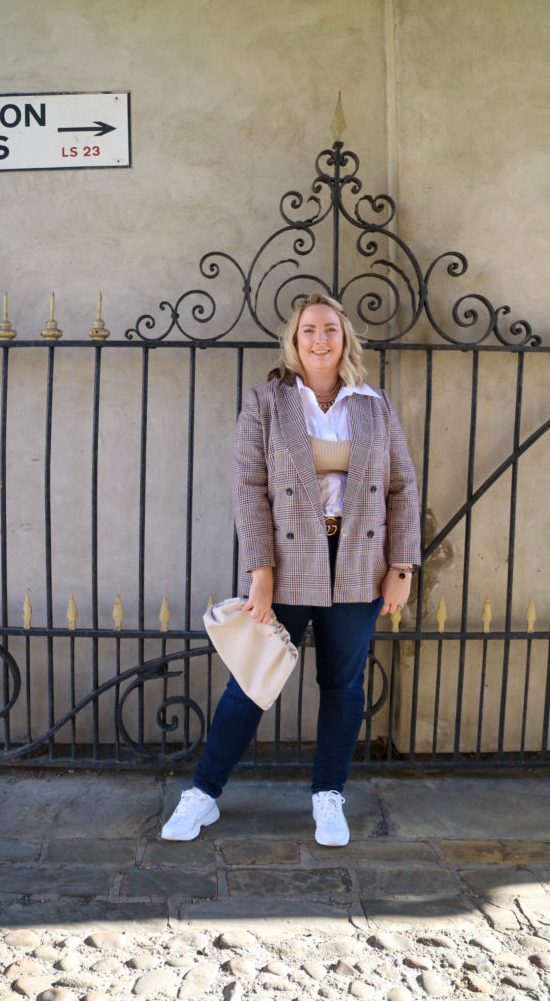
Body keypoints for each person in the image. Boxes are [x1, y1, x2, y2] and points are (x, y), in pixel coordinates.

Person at [162, 293, 421, 845]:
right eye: (309, 330)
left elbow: (401, 486)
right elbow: (248, 489)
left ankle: (329, 796)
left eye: (331, 328)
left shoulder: (374, 404)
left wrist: (401, 565)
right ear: (295, 339)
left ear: (345, 337)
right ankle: (203, 794)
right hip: (286, 562)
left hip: (358, 563)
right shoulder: (266, 401)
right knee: (253, 681)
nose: (320, 339)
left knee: (344, 685)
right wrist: (260, 569)